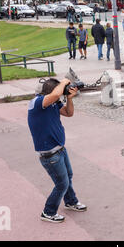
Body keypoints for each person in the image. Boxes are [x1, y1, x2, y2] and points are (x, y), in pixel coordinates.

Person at [27, 78, 87, 223]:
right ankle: (48, 212)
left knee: (68, 176)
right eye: (60, 91)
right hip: (50, 155)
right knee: (62, 184)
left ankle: (71, 201)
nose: (60, 95)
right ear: (52, 91)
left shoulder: (54, 102)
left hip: (60, 149)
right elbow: (54, 95)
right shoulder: (36, 103)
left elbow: (68, 113)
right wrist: (64, 82)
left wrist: (69, 98)